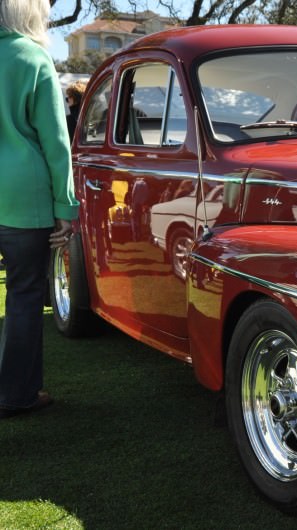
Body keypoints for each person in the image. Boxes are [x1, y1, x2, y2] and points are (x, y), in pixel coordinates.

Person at [0, 0, 78, 419]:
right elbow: (55, 140)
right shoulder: (32, 56)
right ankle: (16, 395)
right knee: (25, 296)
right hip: (24, 197)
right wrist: (66, 206)